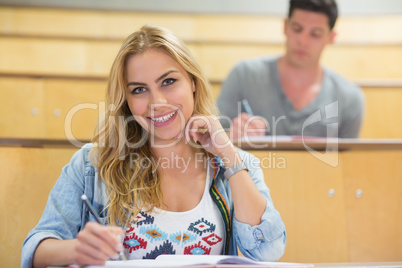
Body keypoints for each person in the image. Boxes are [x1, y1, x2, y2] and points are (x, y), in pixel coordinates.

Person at [21, 25, 286, 268]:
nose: (156, 101)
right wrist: (76, 249)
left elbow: (267, 251)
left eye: (168, 82)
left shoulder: (236, 164)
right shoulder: (92, 164)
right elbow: (35, 251)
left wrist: (228, 155)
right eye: (139, 90)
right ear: (126, 100)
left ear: (192, 82)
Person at [217, 0, 365, 140]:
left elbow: (348, 163)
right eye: (297, 29)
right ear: (285, 26)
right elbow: (210, 142)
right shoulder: (244, 75)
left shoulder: (349, 98)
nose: (303, 41)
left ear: (331, 37)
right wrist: (230, 136)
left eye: (315, 34)